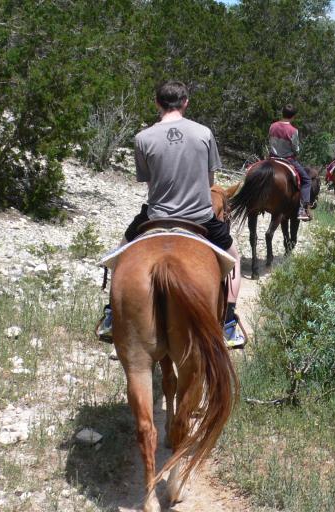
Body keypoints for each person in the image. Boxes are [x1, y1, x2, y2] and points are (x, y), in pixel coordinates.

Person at [97, 80, 245, 348]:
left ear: (157, 103)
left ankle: (111, 315)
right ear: (186, 102)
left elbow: (150, 183)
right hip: (200, 217)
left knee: (118, 256)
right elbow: (209, 179)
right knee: (234, 258)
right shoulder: (204, 133)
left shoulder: (142, 138)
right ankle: (228, 323)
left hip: (156, 216)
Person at [268, 105, 312, 221]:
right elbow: (295, 149)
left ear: (282, 113)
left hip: (272, 157)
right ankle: (302, 209)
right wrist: (296, 152)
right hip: (287, 159)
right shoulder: (293, 130)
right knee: (307, 180)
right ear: (293, 116)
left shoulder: (272, 126)